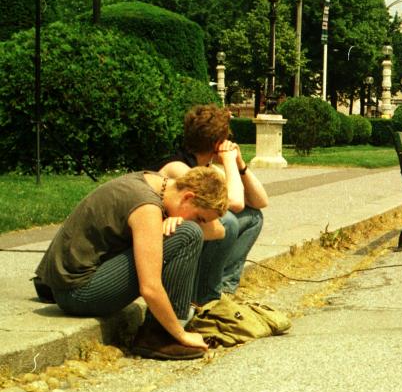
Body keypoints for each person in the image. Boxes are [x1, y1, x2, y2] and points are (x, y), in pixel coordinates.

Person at [34, 167, 228, 360]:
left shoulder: (157, 183)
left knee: (188, 229)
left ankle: (166, 327)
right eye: (200, 217)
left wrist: (175, 219)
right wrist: (181, 334)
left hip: (68, 282)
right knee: (188, 234)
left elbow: (220, 231)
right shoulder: (146, 207)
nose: (200, 223)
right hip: (77, 293)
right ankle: (159, 336)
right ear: (187, 197)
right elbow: (150, 287)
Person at [156, 105, 269, 304]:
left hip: (188, 236)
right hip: (167, 242)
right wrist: (229, 161)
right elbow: (234, 203)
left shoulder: (205, 167)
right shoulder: (178, 168)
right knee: (227, 222)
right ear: (218, 144)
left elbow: (260, 201)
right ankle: (206, 297)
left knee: (253, 217)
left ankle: (225, 288)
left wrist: (241, 166)